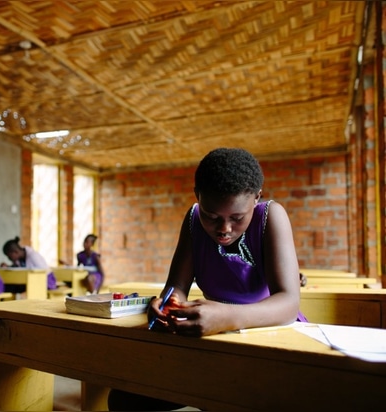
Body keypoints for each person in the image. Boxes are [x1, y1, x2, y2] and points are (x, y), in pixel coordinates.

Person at [108, 148, 307, 411]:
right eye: (211, 216)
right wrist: (169, 303)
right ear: (197, 197)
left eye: (237, 218)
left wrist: (225, 317)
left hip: (271, 336)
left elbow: (289, 304)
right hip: (215, 335)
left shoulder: (271, 216)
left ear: (257, 198)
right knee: (124, 398)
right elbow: (177, 286)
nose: (224, 229)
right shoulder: (192, 221)